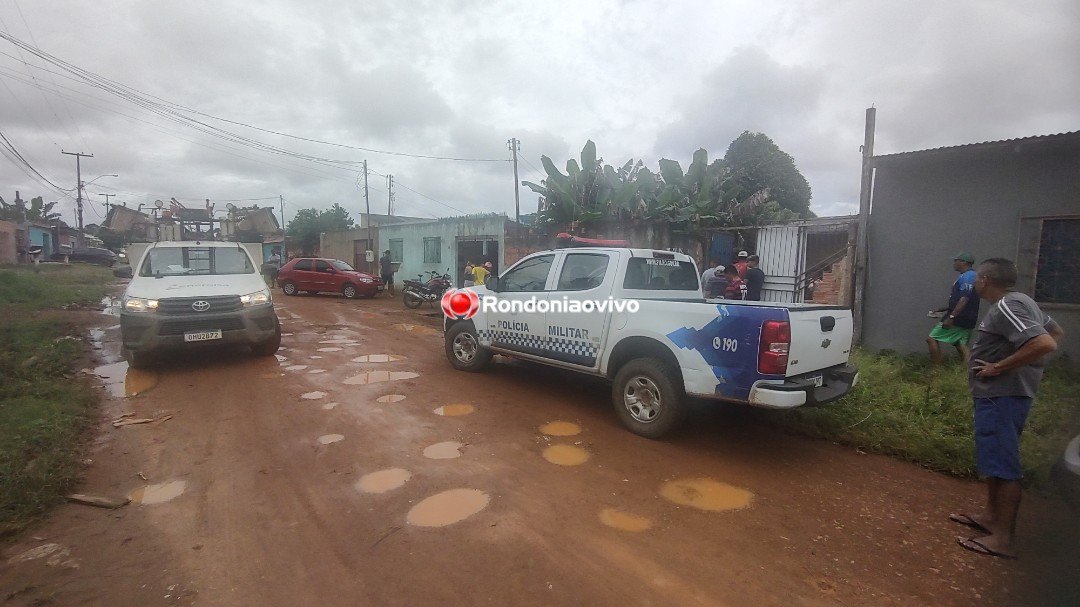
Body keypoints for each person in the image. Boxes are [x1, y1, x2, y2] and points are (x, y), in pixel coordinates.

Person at [953, 258, 1063, 560]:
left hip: (1001, 395)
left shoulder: (1006, 307)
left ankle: (1002, 539)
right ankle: (990, 518)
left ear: (986, 279)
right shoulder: (1024, 301)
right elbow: (1056, 333)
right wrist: (1028, 366)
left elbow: (1045, 343)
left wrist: (1000, 367)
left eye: (978, 278)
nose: (975, 282)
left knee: (1004, 462)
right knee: (994, 458)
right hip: (1002, 395)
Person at [927, 253, 980, 364]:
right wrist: (945, 308)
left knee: (931, 338)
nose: (954, 263)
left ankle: (936, 371)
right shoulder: (971, 275)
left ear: (964, 262)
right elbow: (965, 298)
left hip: (959, 317)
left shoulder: (968, 277)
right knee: (961, 344)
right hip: (969, 316)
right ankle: (967, 373)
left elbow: (964, 298)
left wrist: (951, 316)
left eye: (957, 260)